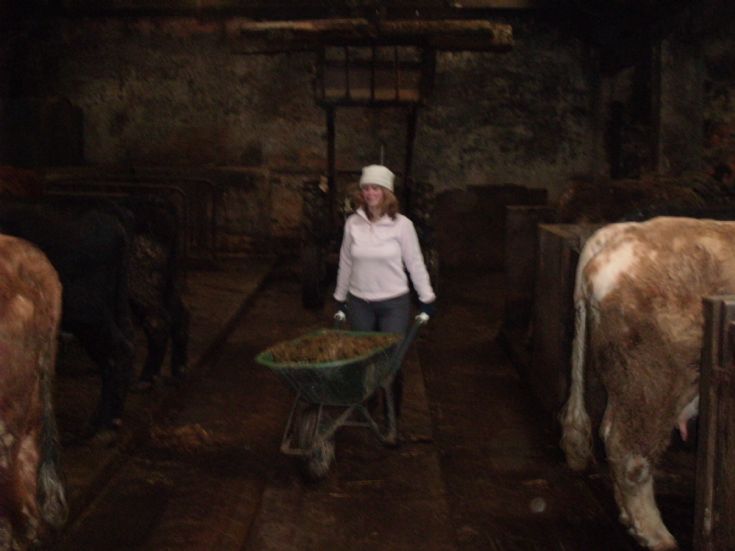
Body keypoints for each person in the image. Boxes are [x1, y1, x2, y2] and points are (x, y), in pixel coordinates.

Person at [333, 164, 436, 417]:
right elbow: (346, 261)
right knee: (364, 358)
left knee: (391, 361)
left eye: (376, 188)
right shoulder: (352, 224)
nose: (370, 193)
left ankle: (392, 418)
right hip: (359, 302)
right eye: (366, 188)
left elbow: (414, 262)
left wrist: (426, 298)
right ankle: (368, 406)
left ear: (386, 193)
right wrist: (340, 297)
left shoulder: (402, 226)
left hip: (394, 303)